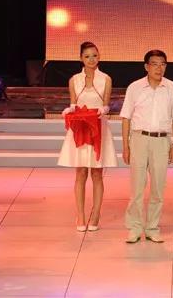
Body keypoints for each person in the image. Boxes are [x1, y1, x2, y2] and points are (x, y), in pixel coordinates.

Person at [120, 49, 173, 243]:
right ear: (146, 66)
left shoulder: (172, 88)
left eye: (162, 64)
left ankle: (152, 228)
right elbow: (126, 118)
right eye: (155, 64)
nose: (159, 68)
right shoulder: (135, 87)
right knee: (137, 187)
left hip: (161, 140)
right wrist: (126, 146)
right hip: (139, 139)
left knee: (158, 188)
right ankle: (134, 228)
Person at [57, 41, 117, 231]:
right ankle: (81, 215)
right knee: (81, 172)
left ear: (99, 57)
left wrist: (102, 110)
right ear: (81, 58)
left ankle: (96, 214)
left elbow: (106, 105)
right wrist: (69, 110)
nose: (91, 59)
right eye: (87, 56)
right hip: (81, 128)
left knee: (97, 173)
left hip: (98, 126)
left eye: (95, 55)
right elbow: (73, 103)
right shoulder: (74, 80)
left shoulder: (105, 79)